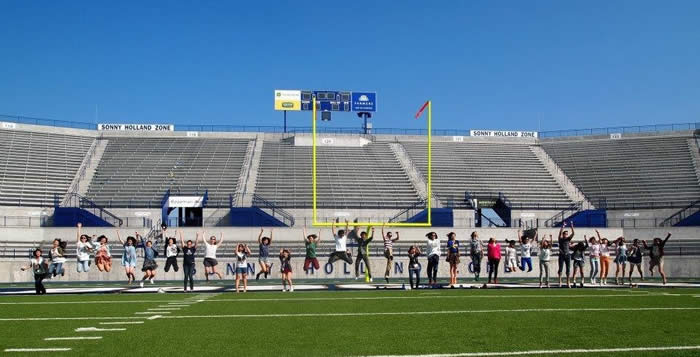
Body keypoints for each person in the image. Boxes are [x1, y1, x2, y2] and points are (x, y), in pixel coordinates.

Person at [557, 221, 574, 288]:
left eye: (567, 234)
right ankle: (560, 282)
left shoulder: (568, 239)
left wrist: (572, 226)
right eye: (565, 234)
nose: (566, 235)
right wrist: (562, 227)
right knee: (560, 269)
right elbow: (559, 233)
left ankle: (568, 282)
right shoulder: (560, 239)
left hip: (567, 255)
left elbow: (573, 233)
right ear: (563, 235)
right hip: (561, 255)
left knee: (568, 269)